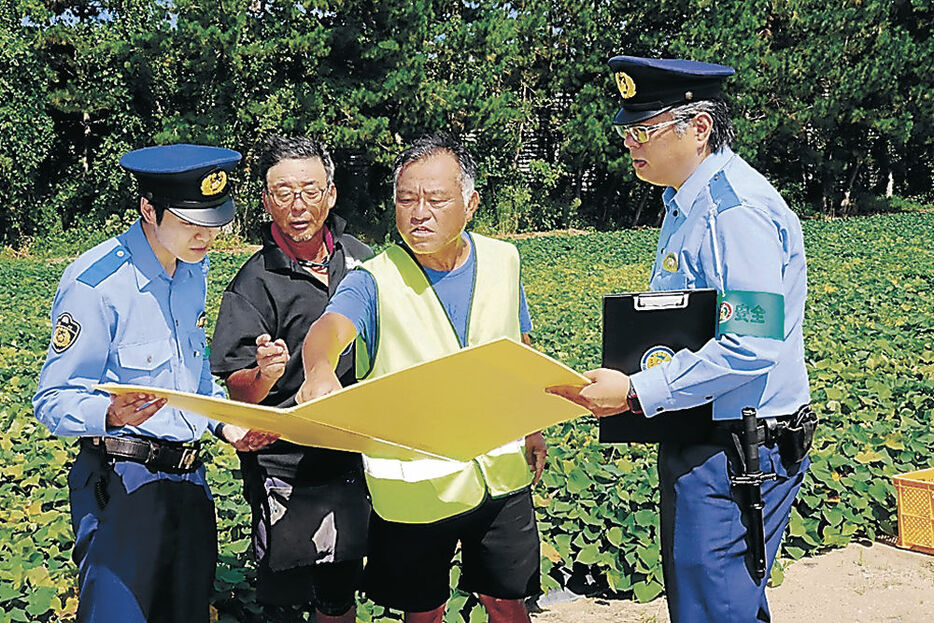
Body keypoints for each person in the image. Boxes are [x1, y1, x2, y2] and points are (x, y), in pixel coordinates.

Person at [548, 57, 817, 622]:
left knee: (711, 608)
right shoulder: (689, 202)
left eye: (644, 129)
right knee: (724, 602)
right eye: (627, 130)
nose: (631, 143)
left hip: (734, 450)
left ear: (697, 128)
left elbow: (751, 342)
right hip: (707, 434)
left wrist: (639, 391)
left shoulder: (733, 212)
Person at [296, 133, 547, 623]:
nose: (419, 212)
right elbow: (328, 329)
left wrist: (532, 424)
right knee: (423, 610)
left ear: (470, 203)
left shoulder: (504, 260)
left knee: (507, 600)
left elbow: (521, 347)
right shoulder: (373, 279)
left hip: (500, 477)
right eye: (406, 199)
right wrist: (320, 368)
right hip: (417, 491)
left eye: (435, 199)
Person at [32, 144, 256, 622]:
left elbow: (190, 376)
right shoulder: (96, 285)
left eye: (213, 223)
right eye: (191, 224)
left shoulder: (193, 267)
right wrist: (108, 414)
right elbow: (52, 399)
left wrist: (223, 423)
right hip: (123, 486)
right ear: (148, 210)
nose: (205, 237)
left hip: (190, 481)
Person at [209, 136, 372, 623]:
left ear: (332, 193)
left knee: (339, 595)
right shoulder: (253, 283)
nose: (298, 205)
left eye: (309, 189)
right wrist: (262, 374)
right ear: (265, 201)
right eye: (283, 193)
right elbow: (235, 386)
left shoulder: (363, 262)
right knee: (286, 600)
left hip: (353, 456)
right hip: (284, 466)